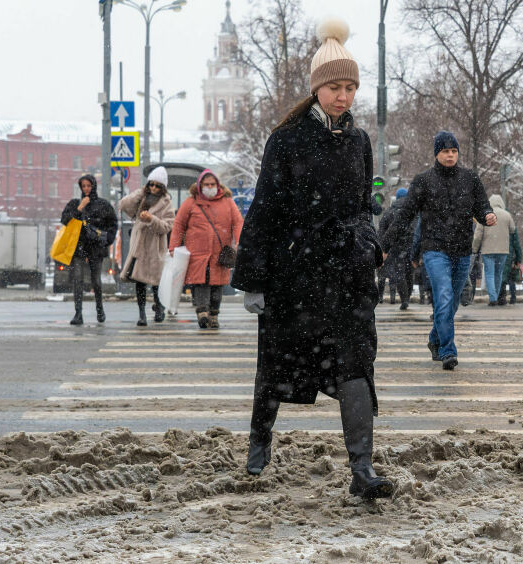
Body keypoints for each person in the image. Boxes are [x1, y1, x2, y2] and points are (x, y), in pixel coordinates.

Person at [231, 18, 393, 499]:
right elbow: (264, 209)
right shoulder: (286, 141)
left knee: (355, 365)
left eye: (350, 87)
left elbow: (364, 206)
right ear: (317, 88)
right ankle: (260, 441)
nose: (343, 96)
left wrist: (371, 244)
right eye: (334, 87)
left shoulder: (359, 142)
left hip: (346, 274)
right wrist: (254, 279)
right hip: (294, 275)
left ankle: (362, 470)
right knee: (276, 367)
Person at [382, 130, 496, 370]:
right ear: (437, 154)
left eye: (454, 151)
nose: (450, 155)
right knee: (443, 297)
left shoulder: (470, 179)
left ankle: (435, 339)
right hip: (434, 249)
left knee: (452, 303)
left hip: (463, 250)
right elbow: (405, 215)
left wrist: (487, 216)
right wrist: (385, 245)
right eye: (445, 151)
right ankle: (448, 351)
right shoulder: (423, 181)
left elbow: (481, 206)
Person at [169, 169, 243, 329]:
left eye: (212, 184)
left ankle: (214, 315)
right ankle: (202, 313)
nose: (210, 187)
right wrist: (173, 247)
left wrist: (239, 241)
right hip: (197, 253)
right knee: (200, 283)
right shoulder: (190, 202)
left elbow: (238, 222)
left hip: (219, 253)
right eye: (206, 184)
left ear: (218, 185)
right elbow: (178, 225)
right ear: (200, 185)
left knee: (217, 285)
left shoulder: (228, 202)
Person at [119, 166, 175, 326]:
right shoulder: (143, 198)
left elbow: (167, 226)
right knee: (140, 282)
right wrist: (141, 192)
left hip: (155, 248)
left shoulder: (166, 203)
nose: (153, 188)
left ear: (162, 187)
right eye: (151, 184)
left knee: (156, 283)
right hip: (139, 247)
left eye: (157, 186)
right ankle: (142, 314)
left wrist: (151, 219)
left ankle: (159, 307)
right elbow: (124, 205)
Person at [60, 174, 117, 325]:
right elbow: (65, 220)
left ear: (93, 186)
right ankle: (78, 313)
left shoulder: (103, 205)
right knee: (77, 279)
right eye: (83, 186)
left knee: (95, 281)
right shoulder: (75, 204)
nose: (86, 189)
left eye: (88, 186)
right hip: (79, 248)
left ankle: (100, 308)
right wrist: (79, 208)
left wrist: (107, 240)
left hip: (95, 248)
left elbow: (112, 224)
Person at [473, 194, 515, 306]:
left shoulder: (485, 215)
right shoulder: (507, 215)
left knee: (490, 274)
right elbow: (512, 229)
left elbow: (478, 235)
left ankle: (493, 298)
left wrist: (474, 248)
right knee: (498, 274)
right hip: (503, 250)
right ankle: (496, 295)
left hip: (488, 250)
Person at [378, 187, 416, 310]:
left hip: (395, 248)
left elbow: (382, 231)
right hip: (410, 246)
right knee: (410, 273)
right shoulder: (413, 211)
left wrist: (383, 248)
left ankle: (404, 298)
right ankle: (408, 296)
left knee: (399, 274)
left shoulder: (389, 212)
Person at [497, 226, 523, 305]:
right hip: (511, 257)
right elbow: (517, 245)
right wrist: (518, 258)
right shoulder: (512, 228)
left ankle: (501, 297)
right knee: (511, 279)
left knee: (502, 277)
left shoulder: (497, 228)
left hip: (500, 254)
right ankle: (513, 297)